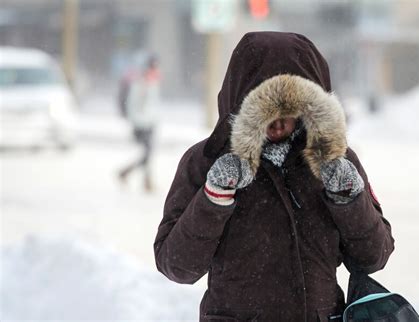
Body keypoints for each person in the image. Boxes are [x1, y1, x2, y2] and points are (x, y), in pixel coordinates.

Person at [153, 32, 394, 321]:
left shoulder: (334, 159)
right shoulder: (205, 161)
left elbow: (373, 257)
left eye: (289, 109)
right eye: (264, 109)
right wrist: (213, 198)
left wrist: (349, 200)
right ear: (242, 102)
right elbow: (177, 266)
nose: (277, 122)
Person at [118, 55, 161, 192]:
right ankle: (138, 177)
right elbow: (132, 104)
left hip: (151, 122)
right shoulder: (140, 83)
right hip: (141, 124)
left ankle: (134, 176)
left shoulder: (153, 82)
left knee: (148, 153)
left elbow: (153, 104)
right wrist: (136, 121)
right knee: (147, 153)